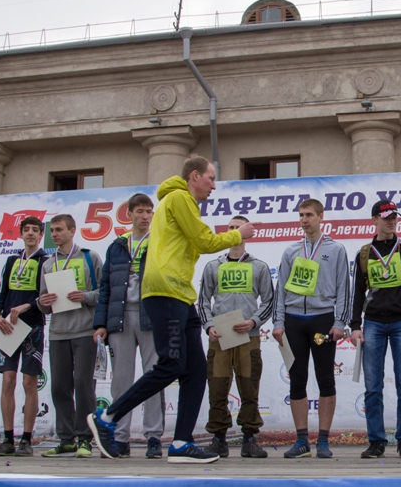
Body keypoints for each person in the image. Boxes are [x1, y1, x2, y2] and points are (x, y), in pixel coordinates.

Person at [89, 156, 254, 464]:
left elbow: (193, 242)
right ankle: (108, 417)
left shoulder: (177, 201)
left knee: (195, 370)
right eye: (211, 178)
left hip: (180, 293)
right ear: (195, 176)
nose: (214, 185)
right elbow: (204, 242)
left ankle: (180, 442)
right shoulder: (180, 198)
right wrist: (238, 234)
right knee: (171, 365)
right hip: (165, 290)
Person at [272, 198, 350, 459]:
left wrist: (339, 323)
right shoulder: (291, 251)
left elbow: (344, 289)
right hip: (293, 322)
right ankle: (302, 440)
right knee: (297, 379)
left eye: (309, 215)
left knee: (325, 378)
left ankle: (324, 441)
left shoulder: (336, 249)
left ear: (320, 217)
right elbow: (280, 290)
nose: (304, 220)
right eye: (301, 215)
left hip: (322, 321)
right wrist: (278, 322)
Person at [349, 200, 401, 459]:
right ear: (374, 220)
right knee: (373, 386)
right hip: (372, 323)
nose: (391, 221)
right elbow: (357, 293)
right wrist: (354, 325)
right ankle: (376, 442)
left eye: (394, 217)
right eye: (386, 217)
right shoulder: (364, 253)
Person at [93, 193, 165, 459]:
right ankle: (120, 437)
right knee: (120, 381)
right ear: (130, 214)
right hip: (120, 318)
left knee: (153, 377)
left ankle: (154, 436)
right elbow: (105, 287)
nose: (145, 216)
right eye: (140, 211)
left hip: (151, 317)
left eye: (149, 211)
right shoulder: (117, 246)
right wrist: (101, 323)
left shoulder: (159, 241)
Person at [198, 216, 274, 459]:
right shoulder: (213, 266)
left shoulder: (259, 267)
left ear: (247, 232)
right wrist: (209, 326)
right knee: (217, 387)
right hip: (220, 337)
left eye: (238, 227)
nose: (234, 231)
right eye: (230, 228)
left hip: (248, 336)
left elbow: (269, 301)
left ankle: (249, 439)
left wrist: (253, 322)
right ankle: (218, 439)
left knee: (249, 387)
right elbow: (203, 301)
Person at [37, 214, 103, 459]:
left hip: (85, 330)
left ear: (72, 231)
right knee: (59, 387)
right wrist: (42, 302)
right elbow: (43, 304)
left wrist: (85, 296)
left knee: (83, 385)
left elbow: (104, 293)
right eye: (52, 231)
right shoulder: (47, 263)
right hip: (58, 333)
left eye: (59, 229)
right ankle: (66, 440)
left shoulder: (90, 257)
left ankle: (85, 438)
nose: (54, 234)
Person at [0, 216, 50, 458]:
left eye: (35, 230)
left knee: (28, 382)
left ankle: (26, 439)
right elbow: (0, 293)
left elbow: (49, 296)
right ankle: (7, 439)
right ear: (21, 234)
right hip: (9, 327)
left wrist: (29, 305)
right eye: (26, 230)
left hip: (33, 326)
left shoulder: (46, 261)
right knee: (7, 380)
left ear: (41, 235)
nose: (30, 233)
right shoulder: (12, 260)